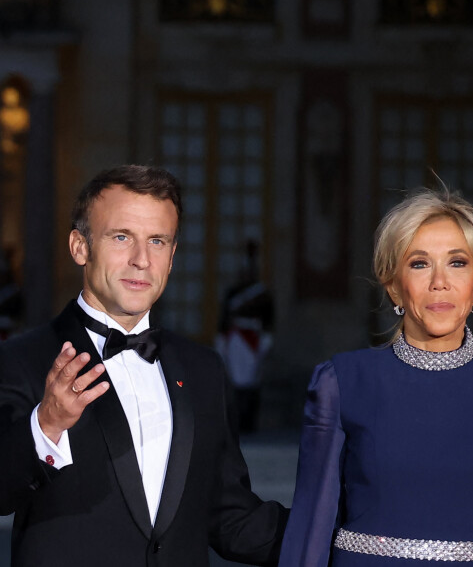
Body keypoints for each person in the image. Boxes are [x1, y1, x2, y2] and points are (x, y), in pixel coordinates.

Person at [0, 165, 288, 567]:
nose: (141, 260)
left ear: (171, 257)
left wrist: (345, 536)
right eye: (122, 237)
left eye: (157, 241)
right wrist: (46, 424)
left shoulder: (204, 369)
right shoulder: (20, 359)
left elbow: (231, 518)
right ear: (80, 246)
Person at [279, 188, 473, 566]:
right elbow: (311, 530)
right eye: (420, 263)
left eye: (457, 263)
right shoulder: (341, 383)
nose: (439, 281)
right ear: (394, 285)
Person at [216, 239, 274, 433]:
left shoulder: (262, 294)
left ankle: (250, 423)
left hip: (254, 341)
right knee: (236, 381)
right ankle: (236, 422)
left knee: (252, 382)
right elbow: (224, 318)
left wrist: (266, 341)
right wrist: (222, 340)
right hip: (236, 341)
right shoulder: (233, 293)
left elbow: (269, 319)